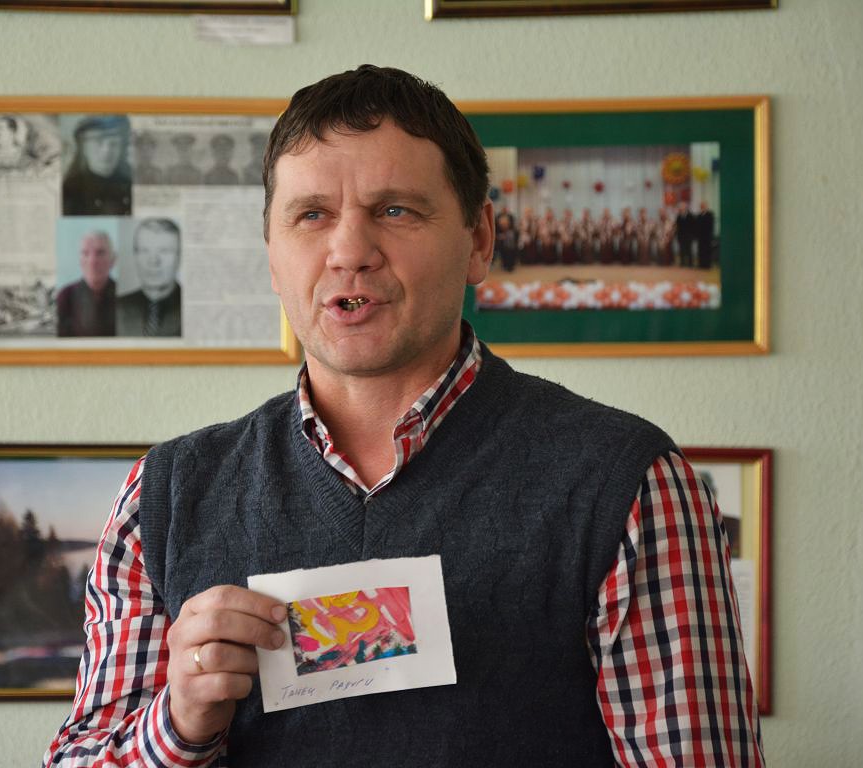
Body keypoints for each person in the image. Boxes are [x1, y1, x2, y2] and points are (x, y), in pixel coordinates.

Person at [44, 65, 764, 767]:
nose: (350, 251)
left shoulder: (629, 485)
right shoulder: (164, 496)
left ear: (479, 240)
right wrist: (177, 725)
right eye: (311, 215)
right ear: (271, 256)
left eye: (395, 211)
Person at [115, 217, 182, 337]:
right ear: (135, 256)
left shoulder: (190, 307)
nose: (153, 261)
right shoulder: (117, 308)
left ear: (179, 257)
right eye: (144, 250)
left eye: (164, 251)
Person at [62, 115, 132, 216]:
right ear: (84, 147)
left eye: (114, 143)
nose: (106, 151)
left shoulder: (131, 186)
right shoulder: (70, 191)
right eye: (98, 141)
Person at [55, 230, 117, 337]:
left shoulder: (125, 297)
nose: (92, 261)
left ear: (113, 260)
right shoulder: (65, 297)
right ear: (80, 260)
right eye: (85, 253)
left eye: (100, 253)